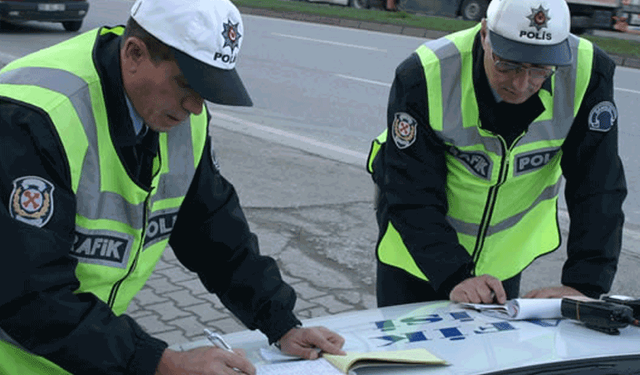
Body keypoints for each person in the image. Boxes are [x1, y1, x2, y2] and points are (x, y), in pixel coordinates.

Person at [0, 0, 346, 374]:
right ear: (134, 53)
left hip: (85, 351)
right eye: (187, 84)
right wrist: (160, 362)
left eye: (208, 89)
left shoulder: (177, 117)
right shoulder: (33, 117)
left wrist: (281, 323)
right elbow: (27, 290)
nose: (195, 107)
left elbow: (213, 230)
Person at [367, 0, 627, 307]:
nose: (521, 85)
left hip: (500, 265)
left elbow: (598, 184)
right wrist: (454, 275)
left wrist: (585, 284)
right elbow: (409, 188)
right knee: (408, 352)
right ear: (484, 34)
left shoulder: (587, 73)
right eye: (508, 64)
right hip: (416, 257)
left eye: (541, 69)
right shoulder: (426, 73)